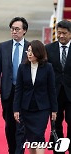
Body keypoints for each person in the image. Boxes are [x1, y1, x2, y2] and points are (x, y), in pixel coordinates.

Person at [13, 40, 57, 154]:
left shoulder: (48, 67)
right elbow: (19, 89)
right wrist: (16, 109)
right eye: (28, 51)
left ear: (39, 52)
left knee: (38, 135)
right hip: (26, 108)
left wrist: (54, 110)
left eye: (32, 51)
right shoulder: (23, 67)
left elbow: (52, 89)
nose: (29, 54)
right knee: (30, 137)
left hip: (42, 108)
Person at [0, 17, 29, 154]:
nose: (14, 31)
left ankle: (19, 151)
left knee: (22, 124)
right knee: (9, 125)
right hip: (8, 90)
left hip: (24, 92)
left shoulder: (30, 47)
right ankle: (12, 149)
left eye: (17, 29)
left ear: (24, 31)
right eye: (12, 29)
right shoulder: (4, 46)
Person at [45, 19, 71, 154]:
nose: (61, 36)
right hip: (55, 94)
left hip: (70, 94)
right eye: (59, 33)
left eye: (64, 33)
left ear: (70, 34)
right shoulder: (49, 49)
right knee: (56, 124)